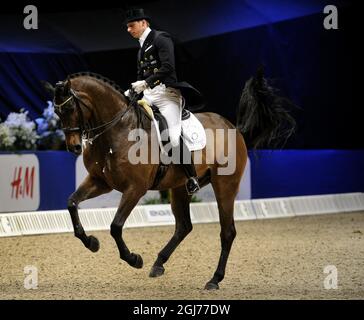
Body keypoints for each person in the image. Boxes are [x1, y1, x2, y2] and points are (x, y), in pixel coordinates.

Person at [124, 8, 203, 195]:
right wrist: (134, 90)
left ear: (144, 23)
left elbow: (168, 67)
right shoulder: (141, 49)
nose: (129, 30)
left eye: (131, 26)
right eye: (127, 27)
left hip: (167, 96)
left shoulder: (161, 38)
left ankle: (192, 177)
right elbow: (140, 75)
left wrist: (146, 82)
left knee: (173, 137)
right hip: (149, 96)